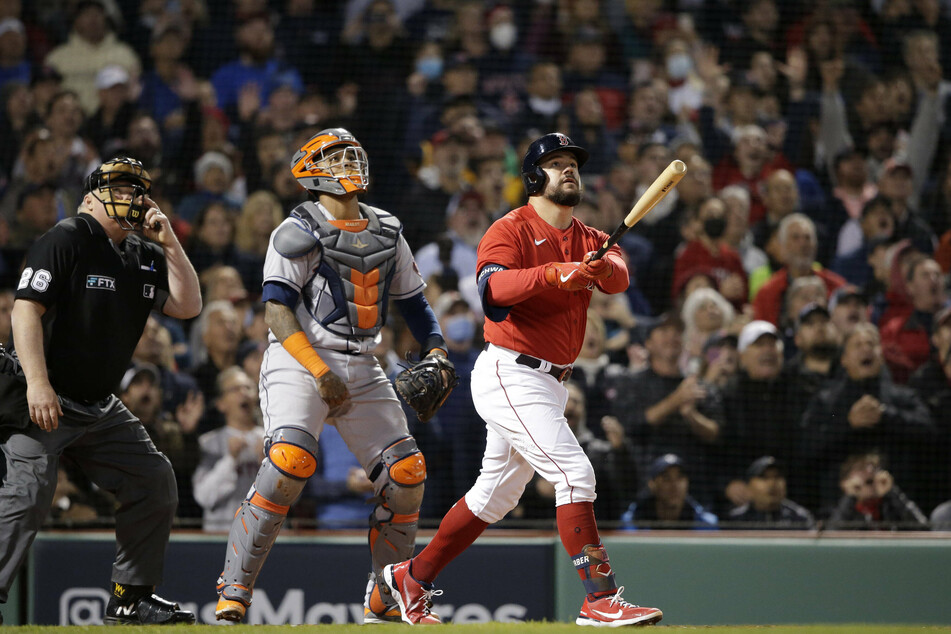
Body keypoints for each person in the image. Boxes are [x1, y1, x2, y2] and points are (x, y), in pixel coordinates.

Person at [381, 133, 663, 627]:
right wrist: (555, 275)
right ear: (534, 177)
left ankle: (411, 579)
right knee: (575, 475)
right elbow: (493, 291)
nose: (568, 170)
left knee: (495, 497)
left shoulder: (589, 236)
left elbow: (619, 276)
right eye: (555, 163)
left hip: (551, 383)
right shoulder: (509, 229)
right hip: (511, 370)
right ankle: (599, 600)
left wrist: (600, 265)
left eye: (572, 162)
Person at [214, 128, 456, 625]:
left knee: (406, 475)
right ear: (310, 171)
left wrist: (437, 349)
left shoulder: (388, 228)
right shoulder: (295, 228)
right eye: (336, 156)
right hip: (298, 359)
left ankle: (384, 595)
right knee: (289, 461)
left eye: (351, 153)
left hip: (365, 362)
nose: (349, 162)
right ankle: (234, 589)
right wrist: (319, 370)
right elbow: (276, 311)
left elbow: (414, 303)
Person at [0, 156, 201, 623]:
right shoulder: (67, 236)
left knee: (153, 481)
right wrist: (38, 384)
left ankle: (130, 598)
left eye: (137, 190)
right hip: (46, 399)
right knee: (27, 495)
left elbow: (189, 306)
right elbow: (25, 311)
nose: (131, 197)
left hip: (100, 407)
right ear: (90, 195)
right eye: (121, 187)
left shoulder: (143, 254)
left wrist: (169, 241)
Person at [192, 367, 265, 532]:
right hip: (221, 534)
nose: (243, 393)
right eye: (235, 389)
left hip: (263, 535)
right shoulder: (209, 442)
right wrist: (230, 460)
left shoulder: (271, 440)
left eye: (248, 387)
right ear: (221, 403)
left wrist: (268, 465)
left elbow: (290, 498)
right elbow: (204, 496)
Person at [826, 452, 929, 530]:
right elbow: (831, 537)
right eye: (861, 468)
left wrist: (892, 492)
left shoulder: (891, 504)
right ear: (845, 482)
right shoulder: (837, 507)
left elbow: (923, 529)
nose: (870, 471)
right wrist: (850, 497)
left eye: (874, 467)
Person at [620, 453, 718, 530]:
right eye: (666, 478)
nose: (674, 485)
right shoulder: (630, 523)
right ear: (652, 484)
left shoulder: (707, 525)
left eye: (680, 477)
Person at [726, 456, 815, 529]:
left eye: (777, 477)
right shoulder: (735, 519)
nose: (772, 484)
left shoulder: (800, 517)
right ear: (749, 485)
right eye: (764, 478)